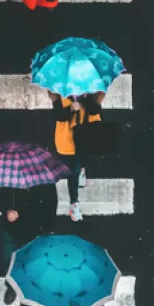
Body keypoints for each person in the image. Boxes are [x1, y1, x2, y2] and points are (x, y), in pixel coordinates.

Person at [50, 90, 104, 222]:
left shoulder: (93, 88)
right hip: (68, 138)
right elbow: (59, 115)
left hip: (88, 134)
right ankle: (74, 203)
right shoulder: (58, 89)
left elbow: (95, 110)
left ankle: (82, 168)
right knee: (73, 170)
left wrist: (85, 100)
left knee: (87, 157)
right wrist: (72, 109)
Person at [0, 184, 58, 269]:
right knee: (10, 263)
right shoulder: (6, 176)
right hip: (12, 227)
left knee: (33, 262)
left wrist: (48, 227)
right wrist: (6, 210)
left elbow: (51, 200)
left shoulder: (44, 178)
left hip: (34, 225)